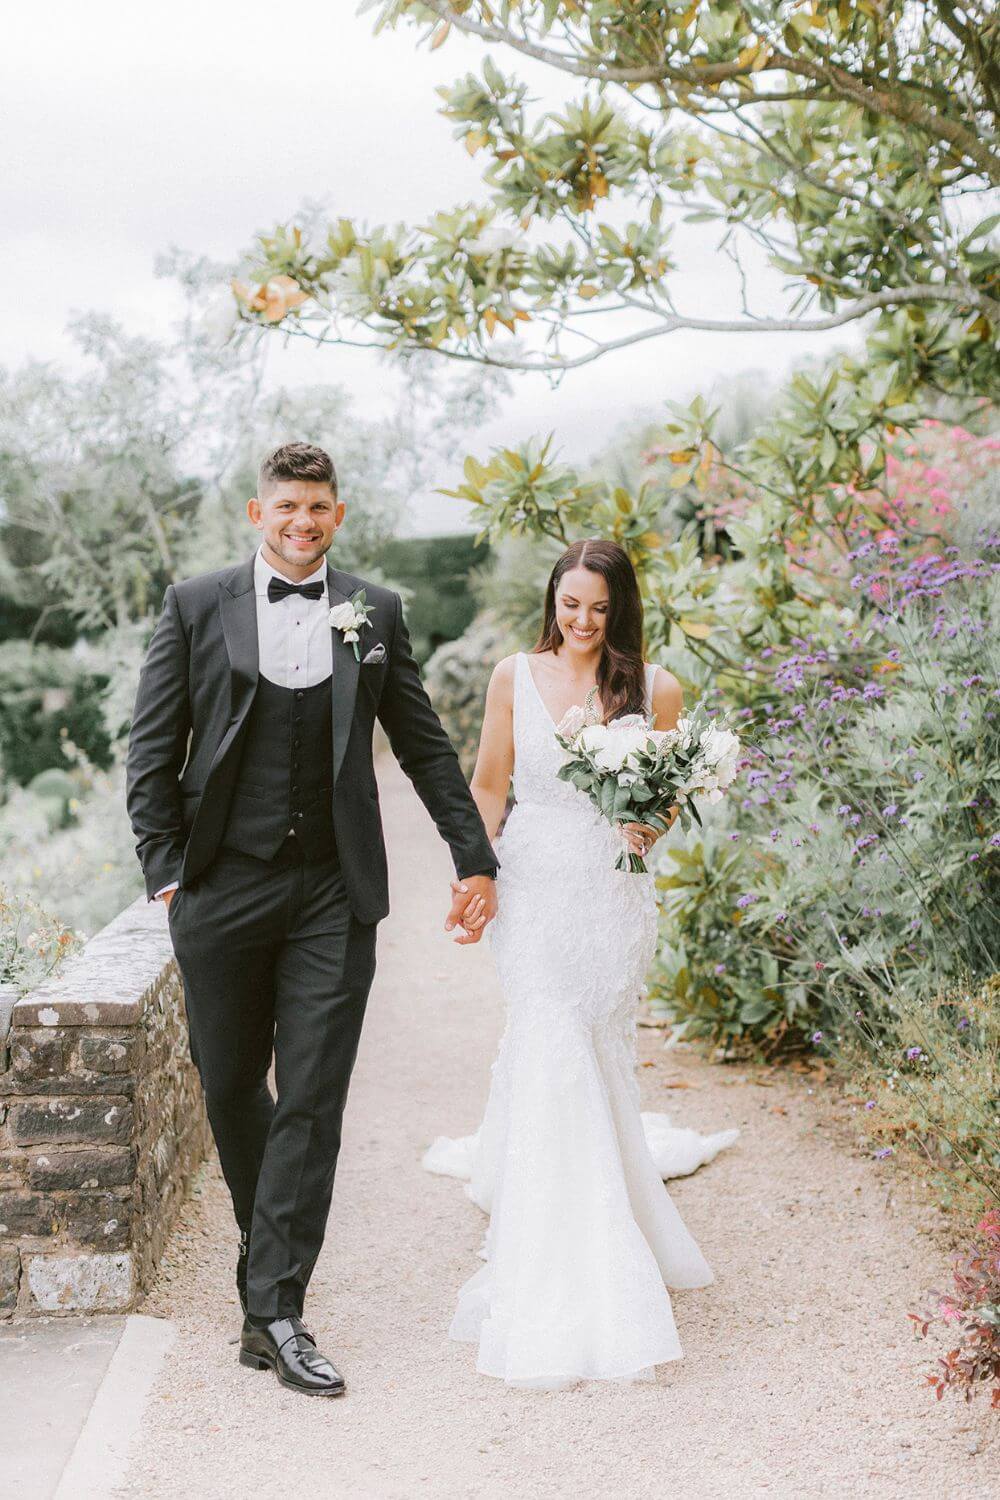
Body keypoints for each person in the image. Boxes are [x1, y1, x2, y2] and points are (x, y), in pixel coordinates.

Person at [125, 442, 497, 1399]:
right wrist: (169, 876)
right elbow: (152, 748)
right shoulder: (196, 605)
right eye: (287, 506)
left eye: (319, 507)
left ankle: (276, 1310)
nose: (303, 522)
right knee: (232, 1088)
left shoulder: (373, 610)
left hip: (334, 891)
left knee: (314, 1096)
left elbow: (420, 741)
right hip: (223, 887)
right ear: (259, 513)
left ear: (338, 513)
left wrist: (473, 853)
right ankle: (269, 1250)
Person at [423, 538, 740, 1388]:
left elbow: (664, 803)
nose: (583, 622)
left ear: (621, 607)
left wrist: (648, 824)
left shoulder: (656, 689)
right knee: (549, 1037)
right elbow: (490, 785)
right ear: (552, 600)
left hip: (611, 896)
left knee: (594, 1047)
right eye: (571, 605)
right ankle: (561, 1248)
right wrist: (473, 870)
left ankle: (607, 1209)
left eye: (600, 608)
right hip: (532, 887)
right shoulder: (510, 679)